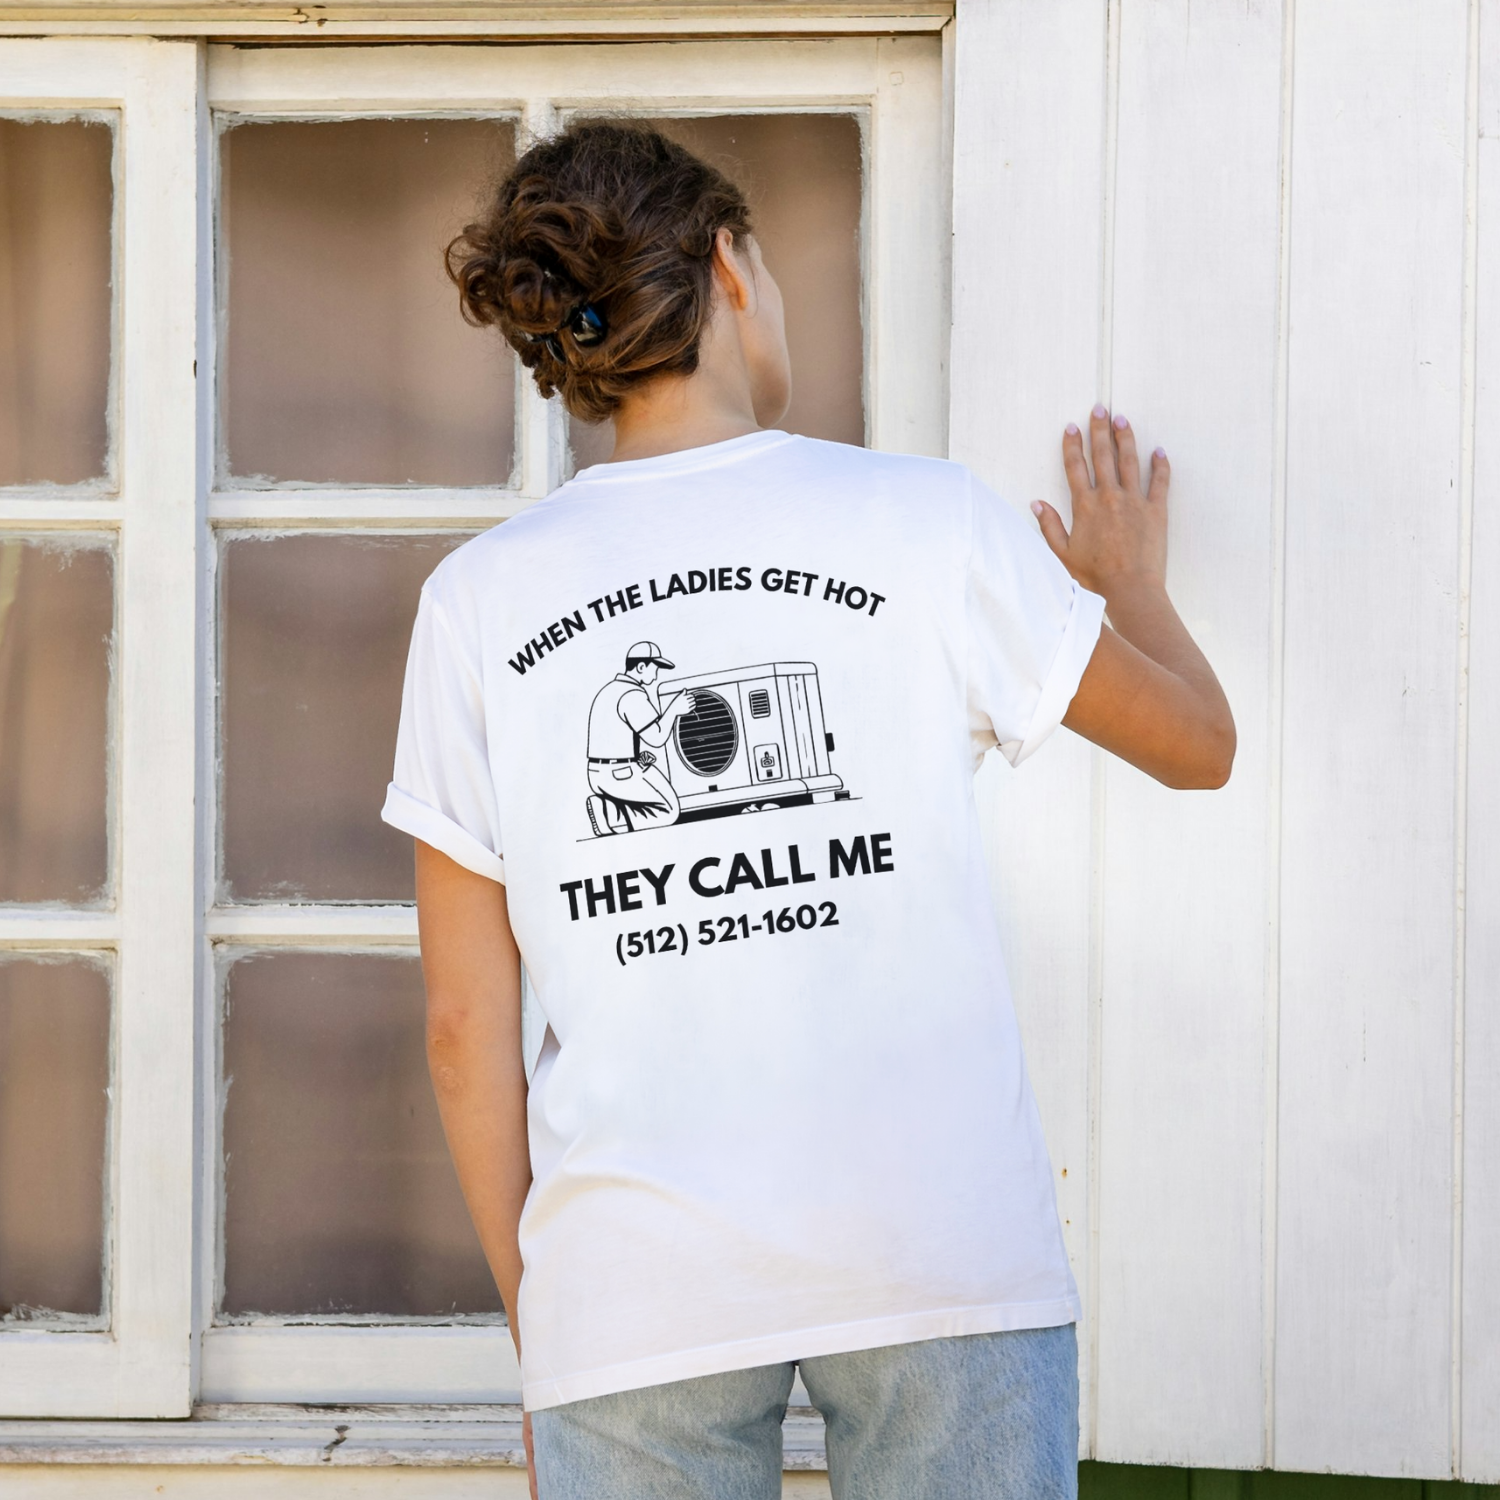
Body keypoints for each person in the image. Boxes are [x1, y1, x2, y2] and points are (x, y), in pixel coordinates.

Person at [382, 122, 1233, 1500]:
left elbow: (464, 1028)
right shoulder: (930, 523)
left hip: (634, 1278)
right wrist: (1123, 591)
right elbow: (1198, 747)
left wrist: (557, 1332)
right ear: (731, 270)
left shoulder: (480, 601)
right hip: (936, 1248)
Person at [584, 641, 695, 836]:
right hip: (619, 774)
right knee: (669, 811)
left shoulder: (609, 690)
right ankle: (609, 812)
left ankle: (608, 806)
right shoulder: (632, 694)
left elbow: (612, 736)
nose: (656, 674)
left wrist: (636, 757)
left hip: (598, 772)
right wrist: (675, 709)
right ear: (641, 667)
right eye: (655, 668)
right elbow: (658, 737)